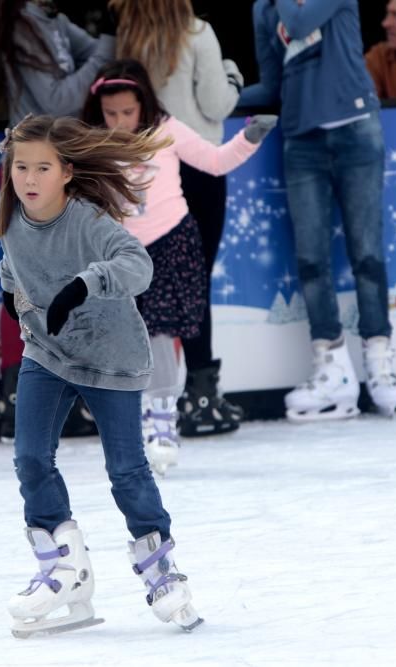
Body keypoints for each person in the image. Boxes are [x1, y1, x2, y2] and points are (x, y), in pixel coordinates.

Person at [0, 114, 202, 636]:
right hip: (47, 352)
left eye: (42, 167)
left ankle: (161, 569)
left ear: (66, 171)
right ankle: (63, 567)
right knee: (30, 458)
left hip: (111, 358)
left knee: (127, 470)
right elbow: (13, 265)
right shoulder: (13, 218)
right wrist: (11, 294)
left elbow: (138, 263)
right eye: (21, 167)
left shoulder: (87, 220)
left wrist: (86, 285)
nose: (30, 179)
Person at [82, 60, 275, 474]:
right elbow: (58, 174)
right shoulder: (92, 143)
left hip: (170, 242)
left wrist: (250, 137)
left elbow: (216, 161)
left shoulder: (166, 129)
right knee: (122, 334)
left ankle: (164, 418)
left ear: (143, 104)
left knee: (160, 332)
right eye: (110, 113)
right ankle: (127, 417)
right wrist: (18, 152)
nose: (119, 122)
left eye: (127, 112)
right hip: (119, 251)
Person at [0, 0, 117, 441]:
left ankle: (71, 390)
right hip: (32, 168)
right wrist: (104, 48)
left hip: (58, 165)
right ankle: (18, 394)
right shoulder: (19, 25)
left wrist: (104, 42)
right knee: (25, 279)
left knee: (71, 278)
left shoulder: (51, 20)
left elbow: (98, 51)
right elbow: (61, 98)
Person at [249, 0, 396, 421]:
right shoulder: (264, 9)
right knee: (311, 260)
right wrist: (210, 97)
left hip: (356, 130)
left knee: (367, 252)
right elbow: (271, 85)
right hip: (301, 142)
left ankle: (379, 359)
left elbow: (299, 23)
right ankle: (331, 367)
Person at [110, 0, 248, 438]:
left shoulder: (128, 37)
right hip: (197, 160)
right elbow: (215, 101)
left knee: (140, 284)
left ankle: (143, 395)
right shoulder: (196, 33)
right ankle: (200, 395)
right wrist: (232, 73)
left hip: (147, 166)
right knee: (194, 280)